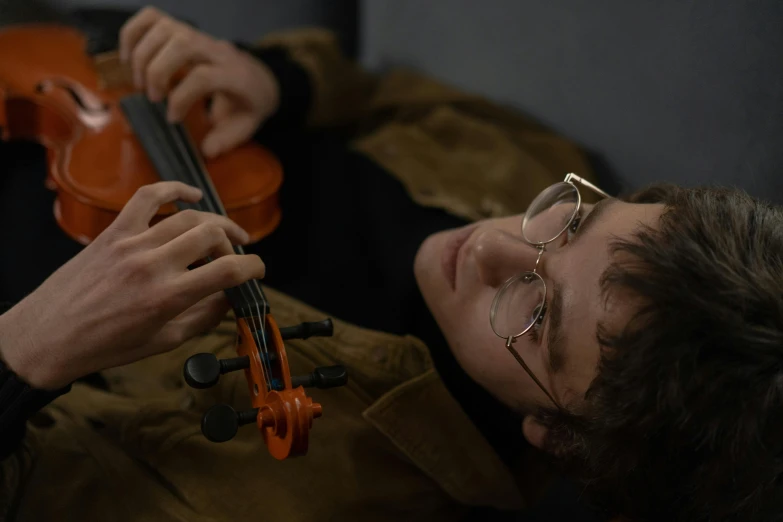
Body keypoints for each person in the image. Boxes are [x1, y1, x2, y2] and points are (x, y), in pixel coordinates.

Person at [0, 6, 781, 522]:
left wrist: (26, 352)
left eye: (536, 312)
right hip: (56, 78)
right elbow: (386, 95)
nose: (491, 243)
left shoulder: (320, 498)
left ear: (556, 435)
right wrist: (278, 82)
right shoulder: (549, 165)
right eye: (581, 218)